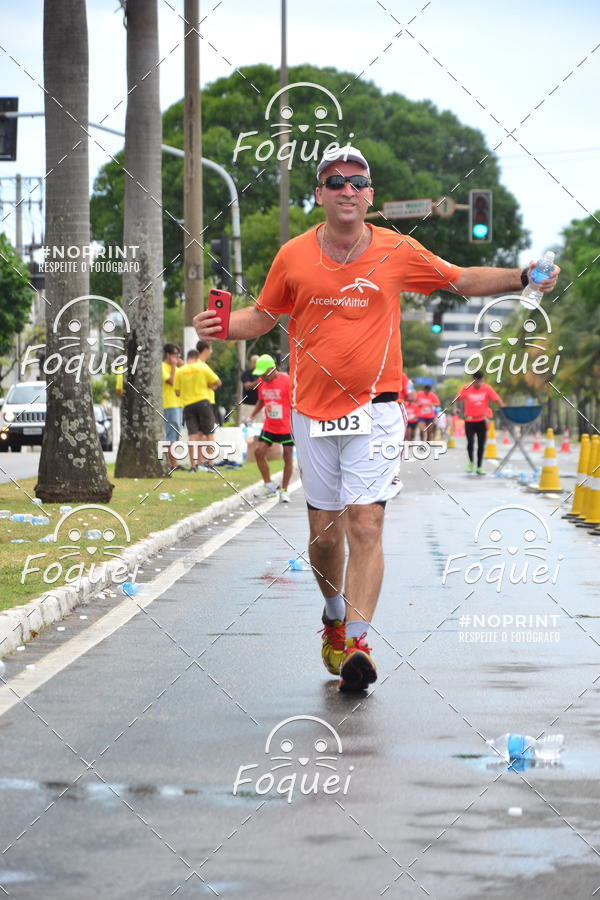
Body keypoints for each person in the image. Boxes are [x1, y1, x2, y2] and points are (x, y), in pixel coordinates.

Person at [193, 145, 559, 691]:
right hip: (313, 413)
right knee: (324, 536)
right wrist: (223, 327)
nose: (347, 190)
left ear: (369, 196)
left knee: (366, 521)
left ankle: (359, 645)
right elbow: (264, 315)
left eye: (358, 183)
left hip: (378, 408)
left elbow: (459, 280)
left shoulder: (397, 250)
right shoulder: (293, 256)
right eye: (335, 181)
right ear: (319, 193)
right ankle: (335, 615)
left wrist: (521, 276)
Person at [249, 354, 294, 503]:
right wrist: (252, 416)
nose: (262, 376)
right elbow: (261, 401)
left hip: (286, 426)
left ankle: (285, 490)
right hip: (270, 425)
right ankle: (268, 486)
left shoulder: (286, 380)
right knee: (258, 452)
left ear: (271, 369)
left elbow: (296, 401)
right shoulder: (262, 381)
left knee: (287, 457)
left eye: (263, 373)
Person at [177, 348, 221, 471]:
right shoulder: (202, 367)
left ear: (187, 358)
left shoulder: (181, 371)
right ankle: (211, 464)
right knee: (209, 434)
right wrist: (210, 386)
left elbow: (176, 391)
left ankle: (193, 466)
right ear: (197, 358)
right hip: (203, 403)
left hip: (188, 405)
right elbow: (218, 382)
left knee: (192, 435)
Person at [455, 371, 503, 475]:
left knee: (481, 444)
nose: (478, 384)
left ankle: (479, 467)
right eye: (476, 382)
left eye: (480, 382)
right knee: (470, 443)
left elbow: (497, 399)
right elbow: (456, 399)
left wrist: (505, 410)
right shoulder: (466, 388)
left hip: (482, 420)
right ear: (473, 380)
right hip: (469, 420)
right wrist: (455, 409)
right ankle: (471, 462)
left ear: (483, 380)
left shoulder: (487, 388)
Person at [162, 343, 183, 470]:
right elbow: (170, 381)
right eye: (175, 354)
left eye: (178, 355)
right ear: (168, 355)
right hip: (169, 404)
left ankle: (173, 462)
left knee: (176, 434)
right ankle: (172, 463)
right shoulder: (163, 367)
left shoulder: (178, 368)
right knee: (171, 433)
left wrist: (182, 366)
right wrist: (175, 366)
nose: (177, 357)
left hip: (178, 403)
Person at [196, 340, 222, 425]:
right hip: (207, 400)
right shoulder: (203, 366)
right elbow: (218, 382)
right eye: (211, 349)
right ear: (206, 350)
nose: (211, 352)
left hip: (195, 401)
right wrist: (212, 386)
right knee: (209, 431)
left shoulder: (193, 364)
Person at [240, 354, 261, 422]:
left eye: (258, 361)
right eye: (254, 361)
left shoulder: (262, 373)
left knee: (260, 426)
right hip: (248, 405)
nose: (256, 363)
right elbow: (247, 386)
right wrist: (259, 381)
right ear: (251, 363)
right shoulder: (246, 373)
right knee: (247, 426)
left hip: (261, 405)